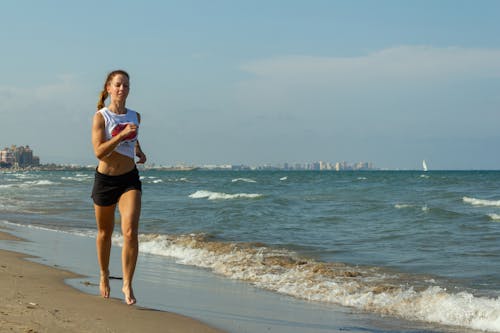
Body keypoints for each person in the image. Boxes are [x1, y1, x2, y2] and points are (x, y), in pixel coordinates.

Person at [91, 69, 147, 305]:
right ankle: (104, 275)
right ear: (108, 89)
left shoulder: (136, 116)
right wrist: (121, 136)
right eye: (118, 85)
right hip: (105, 181)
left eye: (126, 85)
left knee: (130, 232)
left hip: (129, 179)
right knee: (105, 233)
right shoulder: (100, 117)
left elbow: (132, 136)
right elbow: (99, 152)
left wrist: (138, 150)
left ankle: (127, 283)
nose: (122, 89)